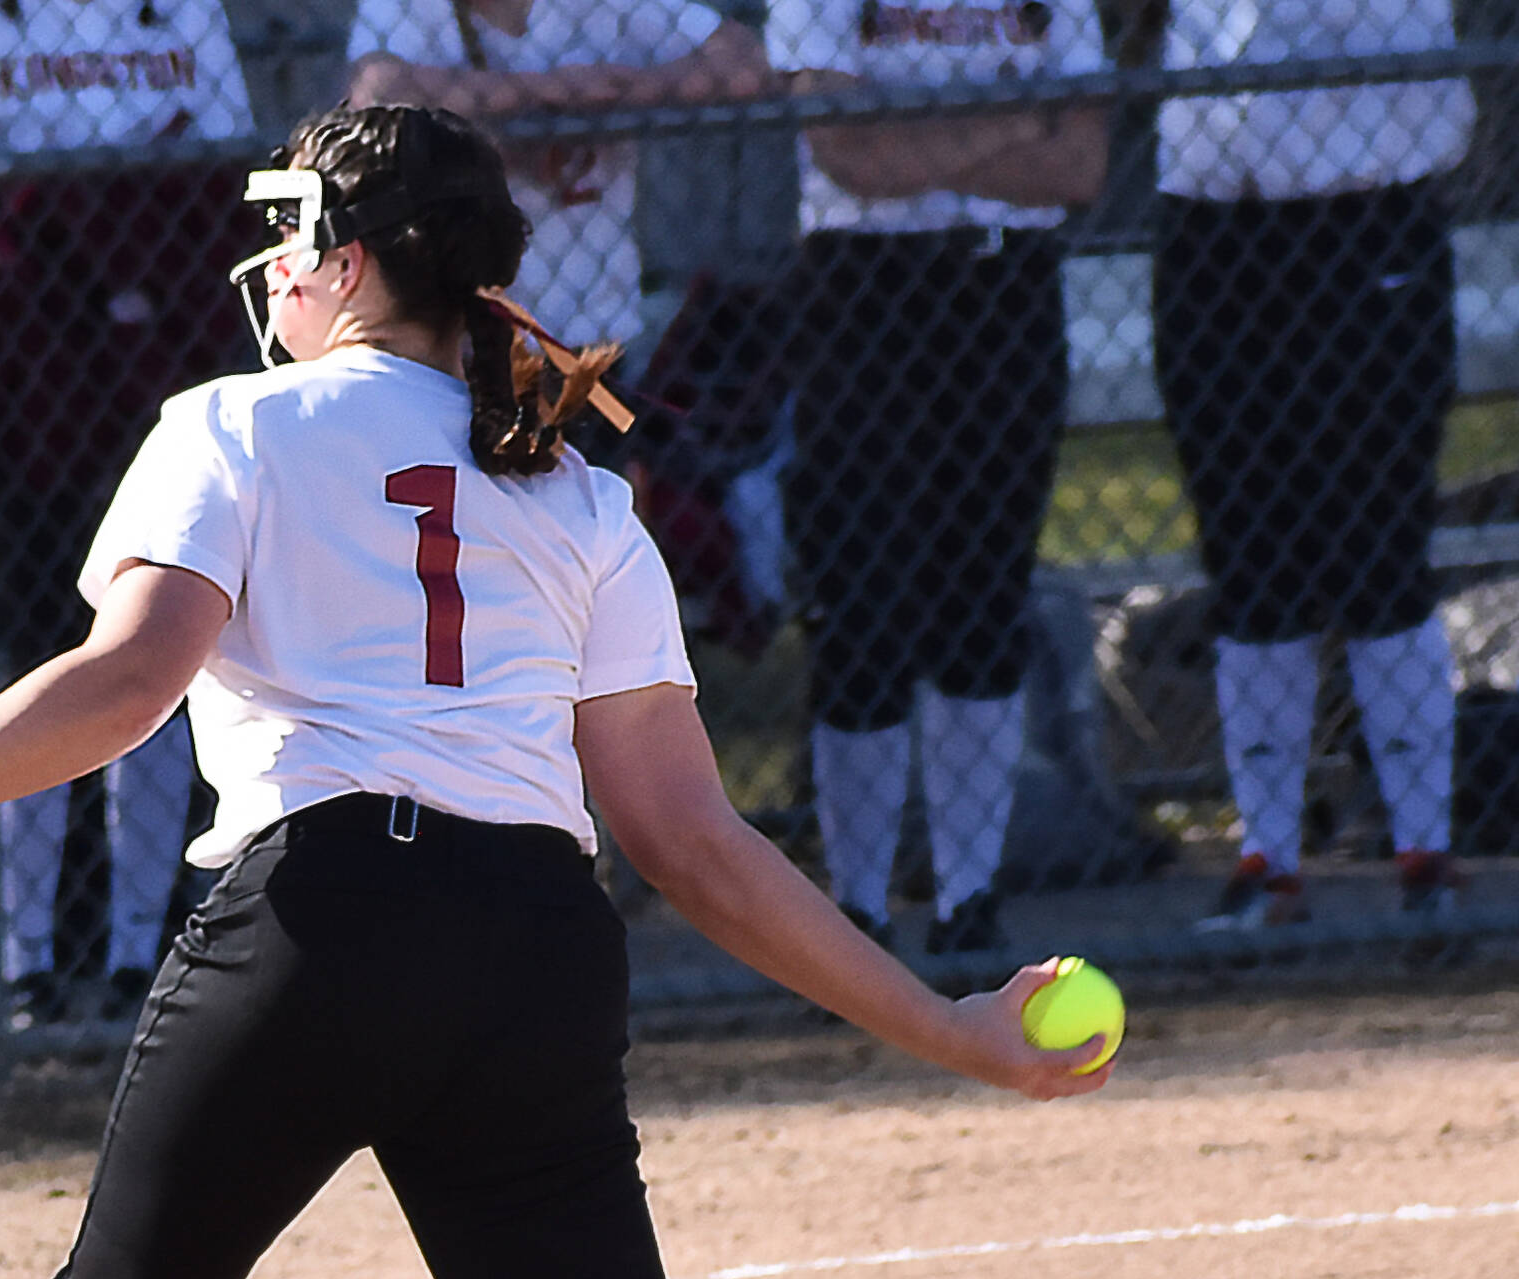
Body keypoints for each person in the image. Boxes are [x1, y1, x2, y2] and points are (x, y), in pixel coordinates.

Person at [0, 104, 1244, 1279]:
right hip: (535, 952)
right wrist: (954, 1027)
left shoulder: (233, 425)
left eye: (292, 237)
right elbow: (692, 846)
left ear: (344, 262)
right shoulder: (569, 487)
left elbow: (121, 689)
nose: (271, 266)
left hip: (317, 919)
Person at [764, 0, 1111, 956]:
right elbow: (851, 160)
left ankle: (970, 899)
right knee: (863, 608)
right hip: (862, 295)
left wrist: (919, 137)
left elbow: (1080, 164)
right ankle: (860, 912)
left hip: (1006, 295)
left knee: (981, 602)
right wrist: (1011, 119)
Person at [1152, 0, 1474, 936]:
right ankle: (1268, 862)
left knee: (1383, 553)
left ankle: (1427, 856)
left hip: (1367, 221)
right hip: (1214, 234)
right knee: (1248, 567)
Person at [0, 0, 257, 1025]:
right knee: (39, 658)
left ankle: (140, 949)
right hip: (30, 368)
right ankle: (22, 962)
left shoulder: (177, 12)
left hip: (163, 345)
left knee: (160, 662)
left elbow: (214, 156)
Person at [343, 0, 766, 358]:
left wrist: (616, 93)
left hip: (591, 335)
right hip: (459, 341)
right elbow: (378, 86)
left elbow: (743, 61)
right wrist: (551, 93)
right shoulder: (414, 9)